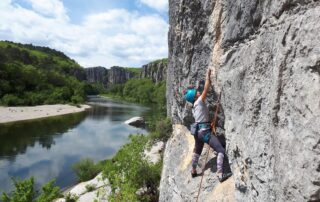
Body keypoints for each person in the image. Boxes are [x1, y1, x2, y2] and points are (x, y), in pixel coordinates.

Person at [184, 69, 232, 182]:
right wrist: (208, 76)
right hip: (205, 132)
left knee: (197, 151)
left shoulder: (194, 106)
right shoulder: (199, 101)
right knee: (220, 150)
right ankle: (220, 174)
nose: (199, 92)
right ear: (195, 97)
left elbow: (201, 119)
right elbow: (206, 88)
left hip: (198, 133)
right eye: (197, 93)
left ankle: (193, 171)